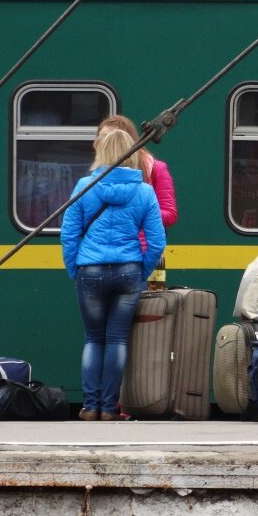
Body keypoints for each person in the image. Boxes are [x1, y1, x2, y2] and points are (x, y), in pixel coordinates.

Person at [60, 129, 166, 421]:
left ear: (102, 151)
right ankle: (109, 409)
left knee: (94, 339)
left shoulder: (84, 186)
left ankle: (89, 406)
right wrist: (140, 272)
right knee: (117, 339)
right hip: (128, 270)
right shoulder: (144, 191)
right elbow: (157, 241)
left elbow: (69, 234)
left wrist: (75, 269)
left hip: (90, 270)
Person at [98, 115, 177, 289]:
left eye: (109, 138)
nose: (102, 143)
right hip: (108, 254)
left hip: (147, 253)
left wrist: (140, 213)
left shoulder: (155, 168)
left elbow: (170, 214)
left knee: (149, 311)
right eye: (101, 137)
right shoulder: (98, 175)